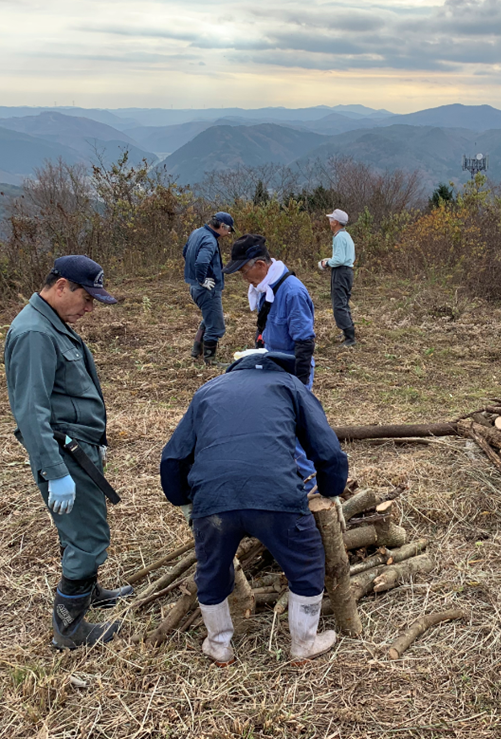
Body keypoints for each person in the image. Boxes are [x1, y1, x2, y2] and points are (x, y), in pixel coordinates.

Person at [159, 350, 349, 666]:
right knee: (306, 561)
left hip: (214, 501)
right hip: (276, 496)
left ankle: (218, 646)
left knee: (211, 569)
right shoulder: (289, 385)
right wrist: (331, 489)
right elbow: (327, 448)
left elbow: (173, 457)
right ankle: (304, 644)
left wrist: (183, 500)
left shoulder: (207, 390)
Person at [4, 255, 132, 650]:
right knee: (87, 538)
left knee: (80, 526)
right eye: (87, 298)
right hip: (65, 454)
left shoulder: (51, 323)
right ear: (62, 286)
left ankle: (89, 591)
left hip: (79, 448)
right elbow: (31, 411)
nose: (90, 308)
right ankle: (70, 628)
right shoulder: (35, 333)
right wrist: (54, 470)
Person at [224, 234, 318, 491]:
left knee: (289, 428)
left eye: (244, 271)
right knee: (271, 424)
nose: (243, 277)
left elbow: (304, 341)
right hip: (271, 365)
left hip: (291, 370)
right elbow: (265, 328)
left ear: (260, 265)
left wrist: (298, 386)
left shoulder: (292, 292)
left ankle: (312, 487)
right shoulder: (266, 289)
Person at [184, 211, 234, 364]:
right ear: (222, 226)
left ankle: (196, 351)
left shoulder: (196, 233)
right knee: (216, 326)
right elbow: (201, 262)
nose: (229, 233)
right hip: (207, 289)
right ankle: (210, 360)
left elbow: (185, 252)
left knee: (209, 318)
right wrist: (202, 279)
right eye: (229, 229)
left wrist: (195, 277)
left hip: (194, 286)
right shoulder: (210, 240)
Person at [317, 209, 356, 347]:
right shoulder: (346, 235)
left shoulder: (339, 237)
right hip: (347, 272)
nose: (329, 222)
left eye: (331, 219)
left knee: (338, 304)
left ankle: (350, 337)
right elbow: (345, 257)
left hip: (340, 273)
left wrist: (326, 263)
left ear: (336, 222)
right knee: (344, 302)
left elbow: (339, 260)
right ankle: (348, 332)